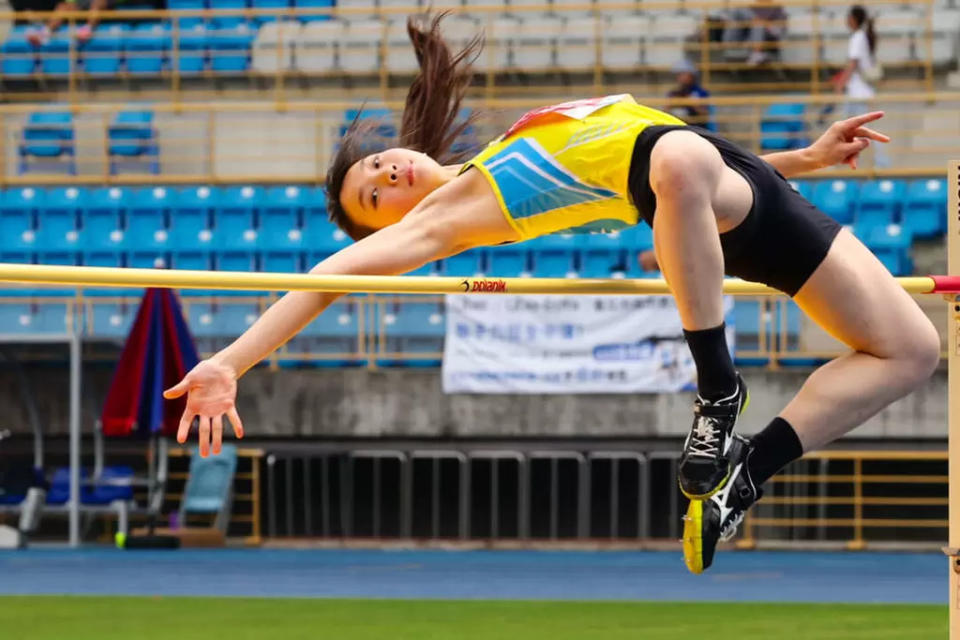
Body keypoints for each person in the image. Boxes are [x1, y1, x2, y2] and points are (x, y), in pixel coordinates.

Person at [163, 14, 938, 575]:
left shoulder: (500, 155)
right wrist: (232, 360)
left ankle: (748, 471)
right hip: (686, 176)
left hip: (740, 182)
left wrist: (802, 157)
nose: (382, 175)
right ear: (384, 229)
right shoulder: (444, 222)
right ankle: (717, 389)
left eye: (377, 164)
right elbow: (326, 281)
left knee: (911, 351)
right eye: (371, 197)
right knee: (676, 162)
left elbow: (678, 164)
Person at [830, 5, 889, 167]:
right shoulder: (863, 36)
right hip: (861, 91)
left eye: (849, 17)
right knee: (851, 129)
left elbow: (853, 64)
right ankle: (850, 160)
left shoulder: (858, 37)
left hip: (858, 92)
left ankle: (881, 163)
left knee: (858, 129)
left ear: (854, 19)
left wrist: (840, 84)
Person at [723, 1, 788, 66]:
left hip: (766, 38)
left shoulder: (778, 9)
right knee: (739, 10)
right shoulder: (752, 8)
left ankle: (756, 53)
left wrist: (765, 24)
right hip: (747, 37)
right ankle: (730, 43)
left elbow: (778, 32)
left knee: (758, 24)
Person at [26, 0, 111, 46]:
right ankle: (45, 33)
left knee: (98, 2)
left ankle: (88, 29)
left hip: (105, 4)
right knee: (63, 6)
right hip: (83, 4)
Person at [666, 59, 713, 131]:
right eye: (678, 74)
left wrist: (693, 104)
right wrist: (672, 104)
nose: (680, 77)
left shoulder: (701, 92)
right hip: (678, 129)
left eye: (683, 74)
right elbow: (665, 112)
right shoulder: (674, 93)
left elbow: (707, 114)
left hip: (698, 129)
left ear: (692, 75)